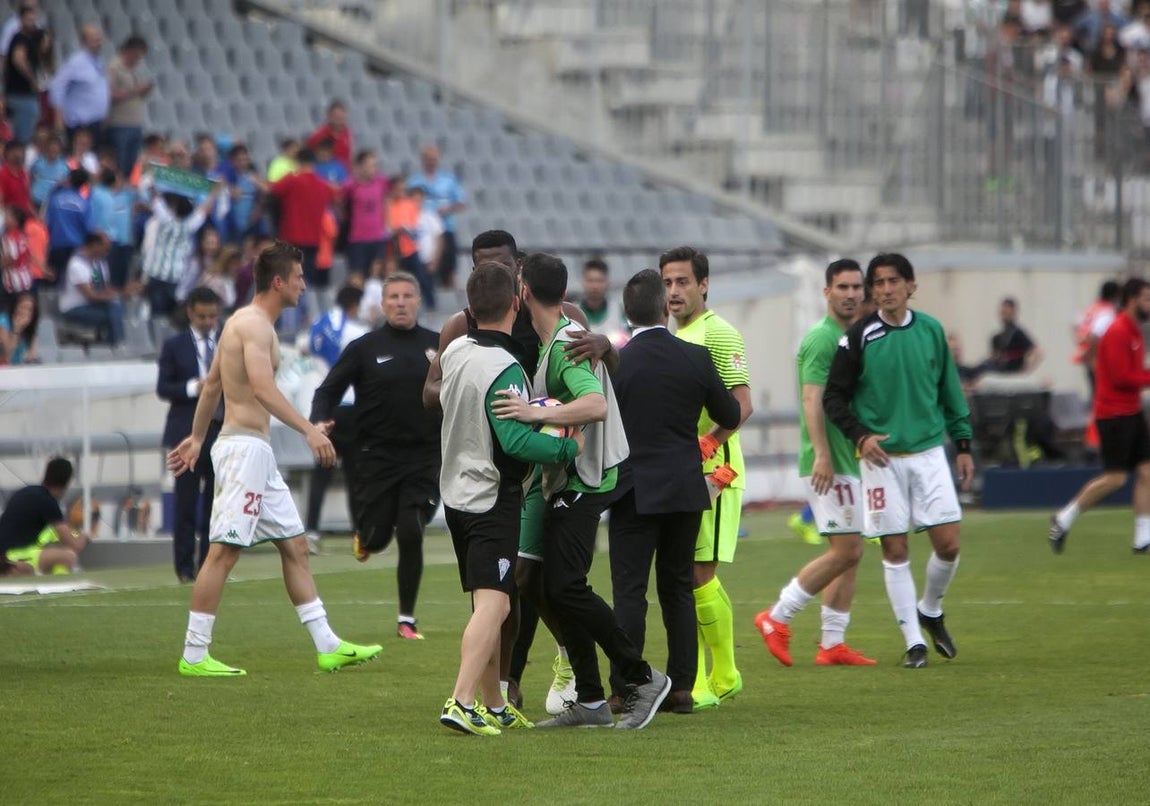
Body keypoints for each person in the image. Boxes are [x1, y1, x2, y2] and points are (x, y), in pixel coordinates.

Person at [167, 241, 383, 677]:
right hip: (244, 450)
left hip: (253, 451)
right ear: (280, 281)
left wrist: (195, 437)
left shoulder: (243, 323)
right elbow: (262, 389)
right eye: (300, 278)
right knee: (224, 552)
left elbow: (212, 386)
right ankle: (194, 654)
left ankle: (327, 645)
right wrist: (307, 430)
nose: (305, 285)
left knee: (295, 546)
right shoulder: (255, 326)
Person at [422, 230, 615, 710]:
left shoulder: (563, 318)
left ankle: (555, 662)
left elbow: (604, 377)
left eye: (504, 263)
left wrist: (606, 345)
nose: (496, 270)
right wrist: (484, 395)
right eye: (482, 263)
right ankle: (498, 688)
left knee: (527, 581)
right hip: (510, 464)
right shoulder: (460, 329)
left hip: (545, 467)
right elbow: (431, 393)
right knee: (506, 586)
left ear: (520, 272)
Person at [493, 252, 670, 730]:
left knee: (566, 586)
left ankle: (641, 675)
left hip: (586, 480)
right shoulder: (560, 339)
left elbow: (594, 405)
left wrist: (536, 415)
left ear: (524, 290)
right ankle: (590, 701)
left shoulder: (568, 342)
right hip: (566, 479)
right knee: (554, 586)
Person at [437, 261, 578, 735]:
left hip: (455, 491)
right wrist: (565, 444)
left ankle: (493, 702)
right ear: (515, 303)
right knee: (497, 603)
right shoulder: (506, 367)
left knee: (485, 599)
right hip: (491, 495)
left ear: (470, 307)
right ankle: (460, 700)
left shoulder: (455, 349)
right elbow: (516, 442)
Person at [823, 252, 974, 668]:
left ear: (911, 286)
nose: (886, 289)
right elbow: (833, 398)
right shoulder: (857, 338)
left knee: (949, 544)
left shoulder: (931, 331)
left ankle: (930, 609)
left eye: (894, 281)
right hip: (881, 461)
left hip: (928, 454)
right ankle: (914, 641)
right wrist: (861, 436)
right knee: (895, 547)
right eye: (879, 283)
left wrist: (962, 444)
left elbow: (950, 391)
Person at [606, 269, 742, 714]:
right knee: (677, 588)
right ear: (664, 308)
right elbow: (729, 412)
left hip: (633, 489)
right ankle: (682, 689)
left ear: (627, 313)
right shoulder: (695, 357)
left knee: (629, 592)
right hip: (684, 487)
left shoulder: (617, 363)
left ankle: (627, 688)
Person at [753, 259, 878, 669]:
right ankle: (777, 616)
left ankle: (832, 643)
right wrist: (822, 453)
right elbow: (812, 399)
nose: (850, 294)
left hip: (848, 458)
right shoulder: (821, 341)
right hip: (830, 460)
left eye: (856, 287)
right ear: (827, 292)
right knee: (846, 549)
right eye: (842, 287)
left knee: (852, 551)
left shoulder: (851, 337)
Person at [310, 272, 441, 639]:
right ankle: (365, 538)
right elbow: (328, 390)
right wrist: (319, 421)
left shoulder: (438, 346)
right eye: (393, 297)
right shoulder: (365, 347)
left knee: (412, 529)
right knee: (379, 538)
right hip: (376, 457)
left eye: (407, 295)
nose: (400, 302)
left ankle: (406, 619)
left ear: (418, 300)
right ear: (382, 304)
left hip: (424, 456)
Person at [660, 245, 753, 709]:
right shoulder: (675, 335)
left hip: (715, 471)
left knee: (697, 574)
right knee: (684, 575)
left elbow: (743, 404)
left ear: (703, 284)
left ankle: (719, 674)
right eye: (668, 283)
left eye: (682, 282)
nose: (674, 291)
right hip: (681, 470)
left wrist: (711, 442)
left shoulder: (719, 333)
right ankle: (704, 676)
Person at [1049, 278, 1150, 555]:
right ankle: (1064, 517)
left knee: (1146, 471)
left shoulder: (1134, 331)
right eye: (1146, 299)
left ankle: (1143, 538)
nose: (1149, 305)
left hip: (1131, 411)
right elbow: (1121, 376)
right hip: (1114, 414)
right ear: (1131, 300)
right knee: (1115, 478)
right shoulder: (1118, 330)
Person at [157, 287, 224, 583]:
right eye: (202, 316)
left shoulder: (226, 341)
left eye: (212, 316)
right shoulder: (175, 345)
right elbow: (163, 387)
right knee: (185, 501)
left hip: (220, 429)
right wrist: (191, 388)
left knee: (216, 502)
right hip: (185, 430)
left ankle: (209, 567)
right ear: (190, 313)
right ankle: (184, 569)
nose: (208, 321)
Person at [303, 285, 369, 555]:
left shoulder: (319, 325)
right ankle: (359, 533)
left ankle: (312, 532)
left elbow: (306, 350)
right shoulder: (357, 332)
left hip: (325, 406)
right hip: (351, 406)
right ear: (354, 305)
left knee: (321, 473)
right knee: (355, 472)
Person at [142, 188, 221, 323]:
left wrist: (152, 179)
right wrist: (214, 192)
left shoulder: (165, 220)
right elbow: (204, 210)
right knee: (168, 315)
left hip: (156, 274)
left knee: (155, 314)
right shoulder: (189, 225)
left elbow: (155, 199)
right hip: (174, 277)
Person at [0, 458, 89, 577]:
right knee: (69, 556)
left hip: (5, 553)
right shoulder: (48, 502)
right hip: (16, 555)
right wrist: (85, 536)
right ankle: (61, 586)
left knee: (53, 551)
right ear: (67, 482)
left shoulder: (26, 492)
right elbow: (73, 545)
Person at [406, 145, 465, 290]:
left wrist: (448, 208)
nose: (431, 162)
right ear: (422, 160)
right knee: (422, 269)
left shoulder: (449, 180)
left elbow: (461, 203)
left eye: (434, 159)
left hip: (445, 228)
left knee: (449, 267)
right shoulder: (414, 181)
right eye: (428, 159)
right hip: (421, 231)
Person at [48, 23, 109, 146]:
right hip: (80, 124)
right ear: (84, 42)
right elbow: (56, 86)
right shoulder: (76, 62)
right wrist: (59, 115)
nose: (98, 42)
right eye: (94, 39)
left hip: (95, 123)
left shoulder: (98, 61)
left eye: (99, 38)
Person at [59, 231, 124, 346]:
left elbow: (104, 287)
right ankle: (116, 345)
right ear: (94, 245)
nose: (107, 252)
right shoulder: (77, 265)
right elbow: (90, 295)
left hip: (93, 306)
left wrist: (120, 293)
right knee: (112, 314)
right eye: (105, 248)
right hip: (75, 308)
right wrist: (114, 297)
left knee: (116, 307)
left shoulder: (99, 263)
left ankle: (114, 345)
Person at [104, 35, 151, 176]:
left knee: (131, 166)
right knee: (120, 164)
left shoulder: (133, 70)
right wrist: (135, 91)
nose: (139, 58)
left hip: (134, 124)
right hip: (119, 124)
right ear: (130, 50)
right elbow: (109, 93)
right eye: (137, 54)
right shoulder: (115, 67)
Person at [3, 4, 49, 143]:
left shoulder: (31, 38)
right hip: (21, 93)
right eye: (28, 19)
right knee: (24, 134)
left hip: (22, 94)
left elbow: (46, 46)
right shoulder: (20, 38)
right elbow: (19, 59)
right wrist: (33, 79)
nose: (32, 22)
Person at [343, 150, 388, 279]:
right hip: (358, 238)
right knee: (357, 276)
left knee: (376, 277)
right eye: (370, 165)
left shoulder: (381, 182)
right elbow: (341, 205)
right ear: (360, 166)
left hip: (377, 238)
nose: (373, 169)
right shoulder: (351, 185)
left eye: (375, 165)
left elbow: (388, 201)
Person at [1073, 280, 1121, 396]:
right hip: (1098, 360)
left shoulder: (1091, 309)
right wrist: (1093, 356)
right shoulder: (1107, 313)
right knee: (1102, 395)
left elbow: (1075, 324)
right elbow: (1096, 336)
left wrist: (1082, 346)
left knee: (1095, 394)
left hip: (1087, 357)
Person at [980, 297, 1041, 374]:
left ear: (1013, 312)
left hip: (1009, 370)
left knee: (982, 368)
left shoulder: (1017, 333)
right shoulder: (997, 337)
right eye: (1003, 311)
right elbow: (995, 357)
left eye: (1006, 310)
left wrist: (1024, 370)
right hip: (997, 368)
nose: (1003, 312)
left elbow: (1037, 352)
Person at [578, 257, 629, 341]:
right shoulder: (572, 312)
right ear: (583, 282)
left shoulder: (620, 311)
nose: (595, 286)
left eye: (599, 281)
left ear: (607, 282)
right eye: (591, 280)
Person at [306, 100, 353, 171]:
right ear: (329, 115)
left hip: (344, 175)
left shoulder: (347, 132)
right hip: (325, 174)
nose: (338, 118)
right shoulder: (319, 135)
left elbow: (348, 156)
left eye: (340, 115)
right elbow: (308, 156)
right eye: (335, 115)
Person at [29, 132, 68, 209]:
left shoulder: (64, 167)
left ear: (60, 149)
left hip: (54, 204)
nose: (53, 150)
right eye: (51, 147)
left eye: (56, 148)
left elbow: (66, 186)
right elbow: (31, 179)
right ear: (47, 148)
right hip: (36, 201)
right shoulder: (37, 163)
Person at [0, 291, 38, 365]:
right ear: (15, 307)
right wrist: (16, 329)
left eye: (29, 309)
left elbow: (31, 356)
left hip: (20, 369)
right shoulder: (3, 321)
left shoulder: (30, 328)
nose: (25, 312)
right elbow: (7, 356)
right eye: (22, 307)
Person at [0, 140, 32, 216]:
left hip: (24, 216)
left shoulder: (24, 174)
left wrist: (37, 218)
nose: (18, 154)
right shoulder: (2, 174)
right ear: (7, 153)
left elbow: (27, 201)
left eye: (20, 151)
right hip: (9, 217)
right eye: (15, 151)